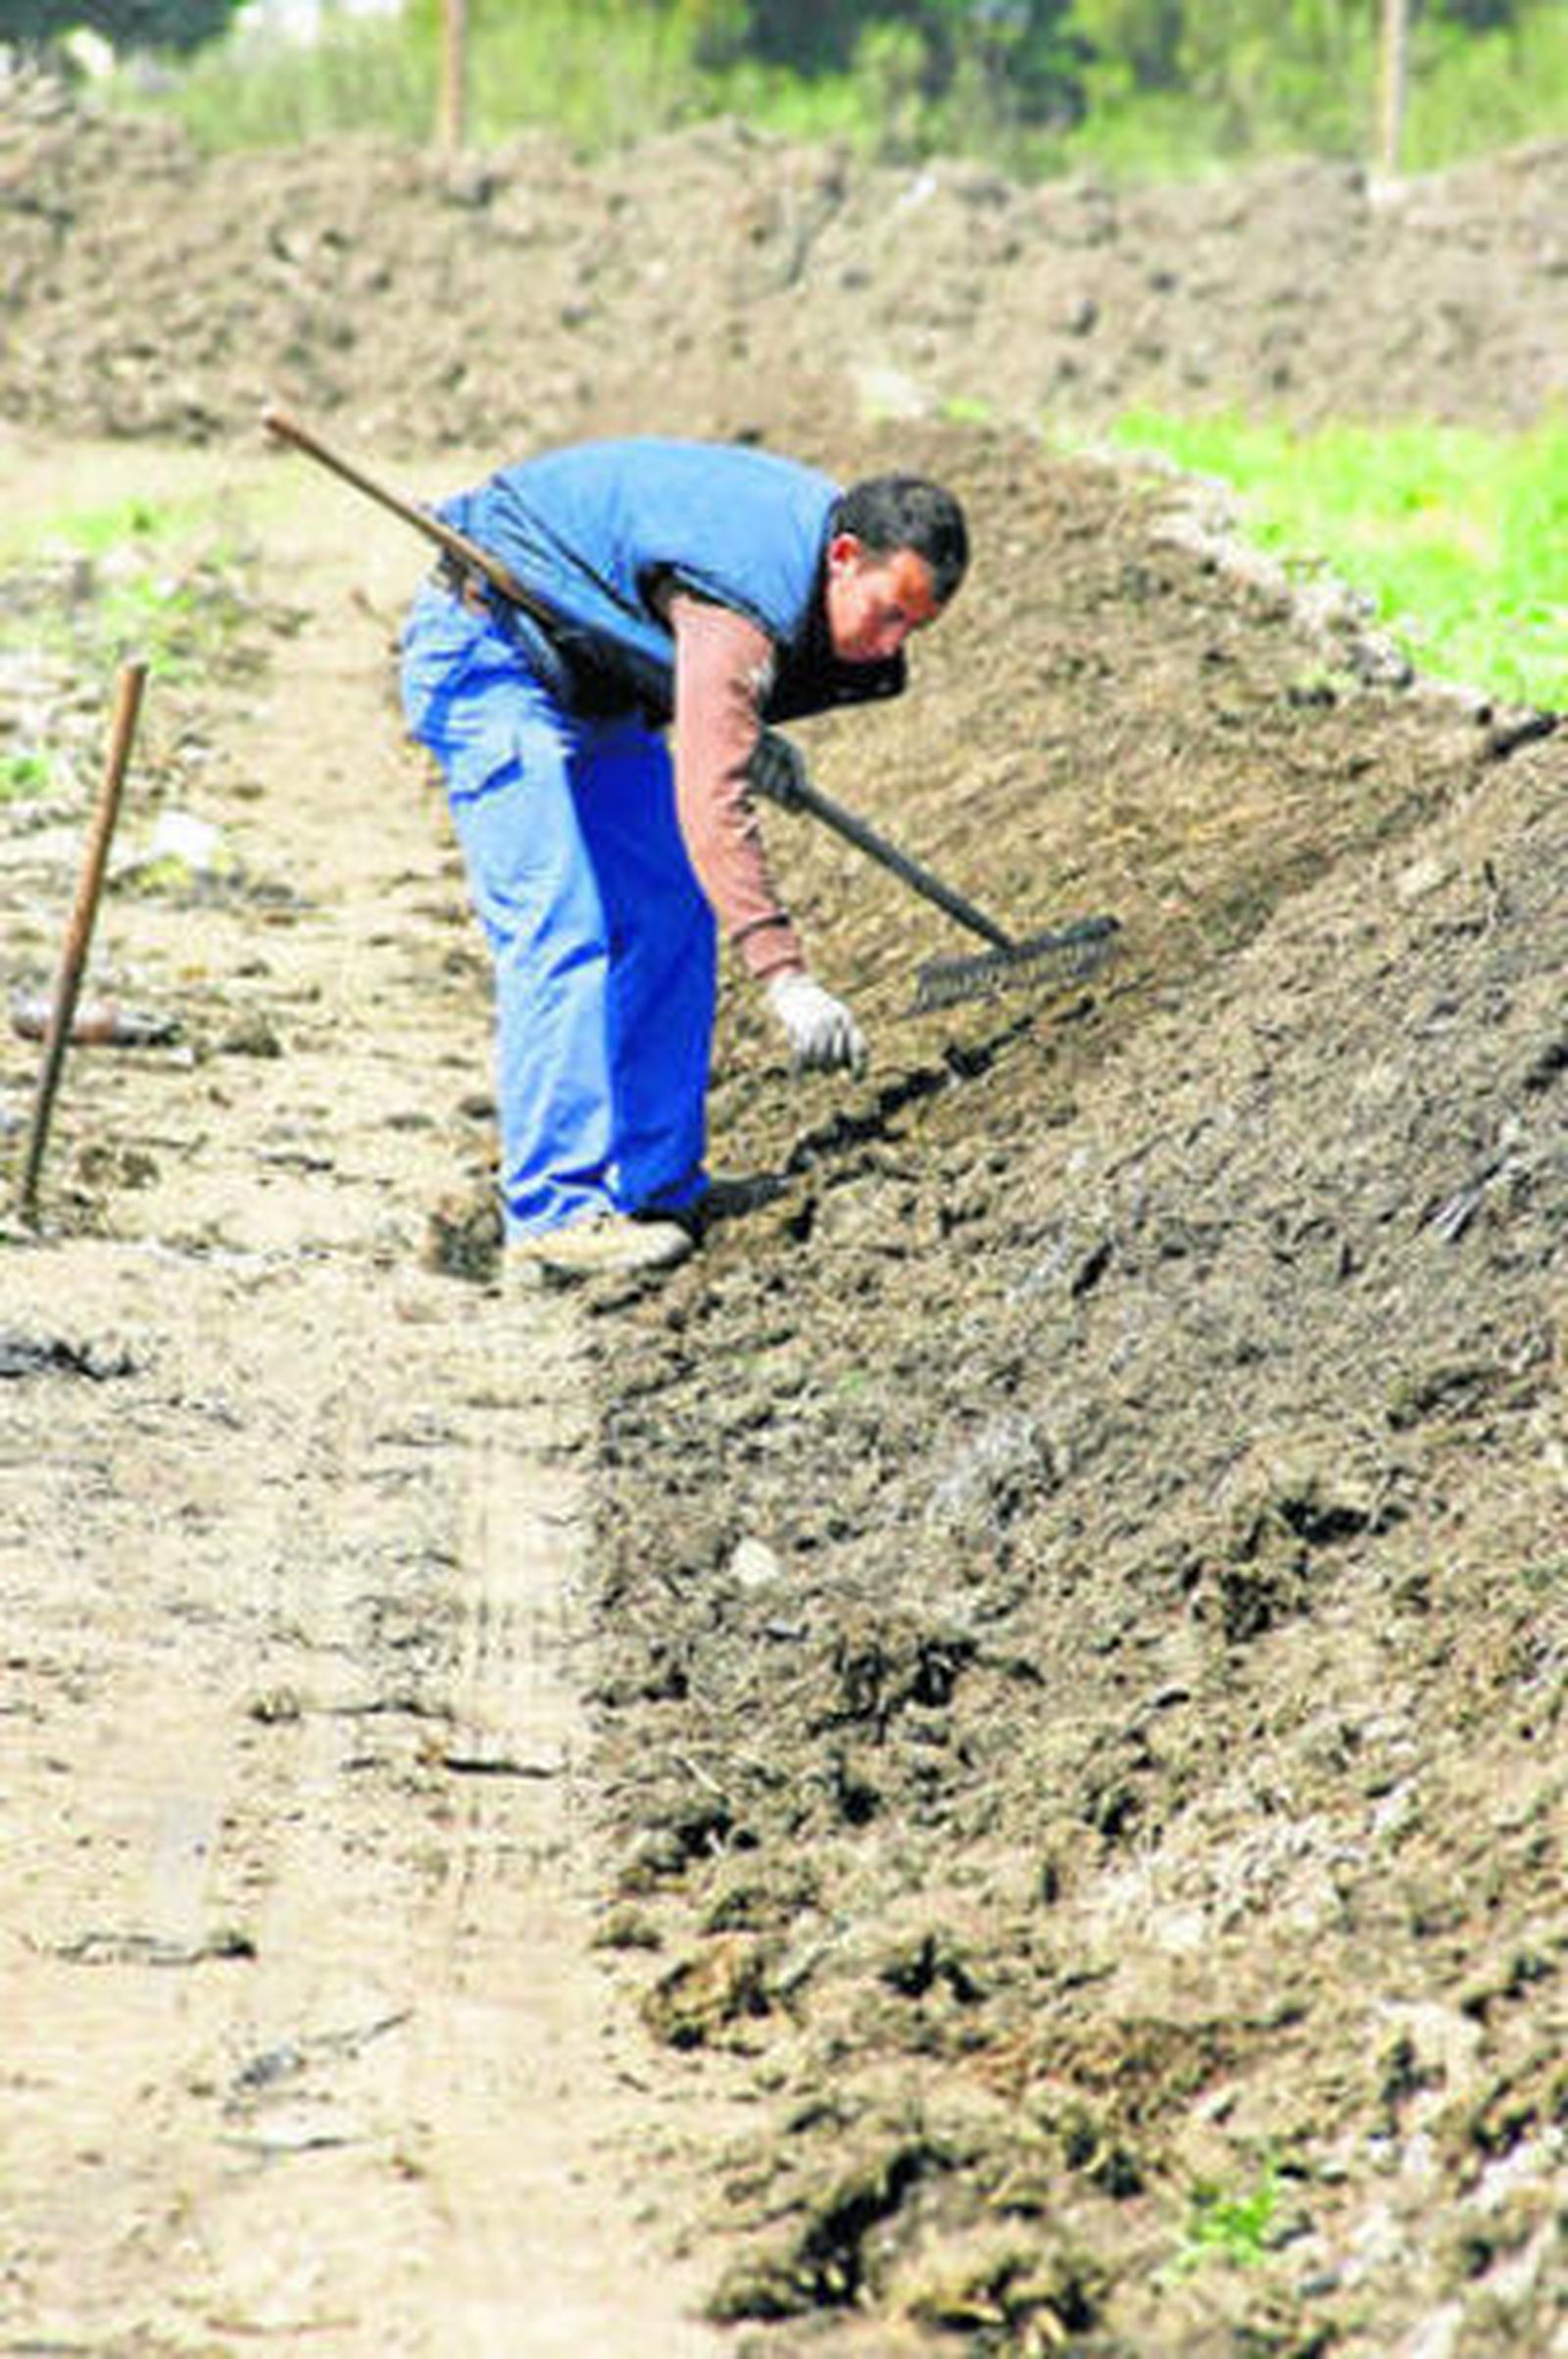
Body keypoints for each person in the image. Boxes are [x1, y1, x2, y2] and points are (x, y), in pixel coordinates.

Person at [399, 435, 968, 1280]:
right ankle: (555, 1213)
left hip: (586, 675)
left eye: (914, 628)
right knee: (563, 928)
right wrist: (785, 975)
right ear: (846, 557)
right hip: (489, 652)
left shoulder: (813, 561)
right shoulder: (751, 597)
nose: (892, 645)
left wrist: (739, 719)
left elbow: (690, 655)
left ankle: (658, 1181)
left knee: (668, 910)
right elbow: (711, 801)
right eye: (889, 612)